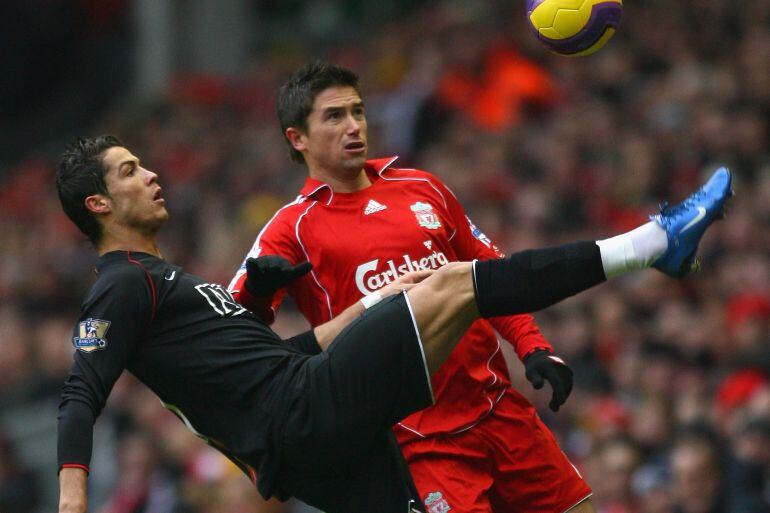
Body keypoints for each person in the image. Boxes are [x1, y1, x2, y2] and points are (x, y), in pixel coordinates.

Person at [56, 134, 730, 513]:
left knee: (444, 287)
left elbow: (284, 351)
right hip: (298, 416)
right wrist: (72, 502)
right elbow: (79, 394)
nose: (150, 173)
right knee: (455, 283)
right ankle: (651, 244)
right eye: (128, 170)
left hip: (310, 432)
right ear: (98, 202)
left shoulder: (167, 282)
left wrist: (373, 305)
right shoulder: (120, 283)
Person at [228, 62, 711, 512]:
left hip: (499, 406)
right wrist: (254, 295)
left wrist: (533, 346)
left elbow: (489, 277)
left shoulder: (422, 187)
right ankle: (653, 244)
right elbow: (229, 331)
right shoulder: (290, 228)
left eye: (357, 111)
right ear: (299, 138)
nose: (354, 126)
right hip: (420, 438)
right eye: (334, 117)